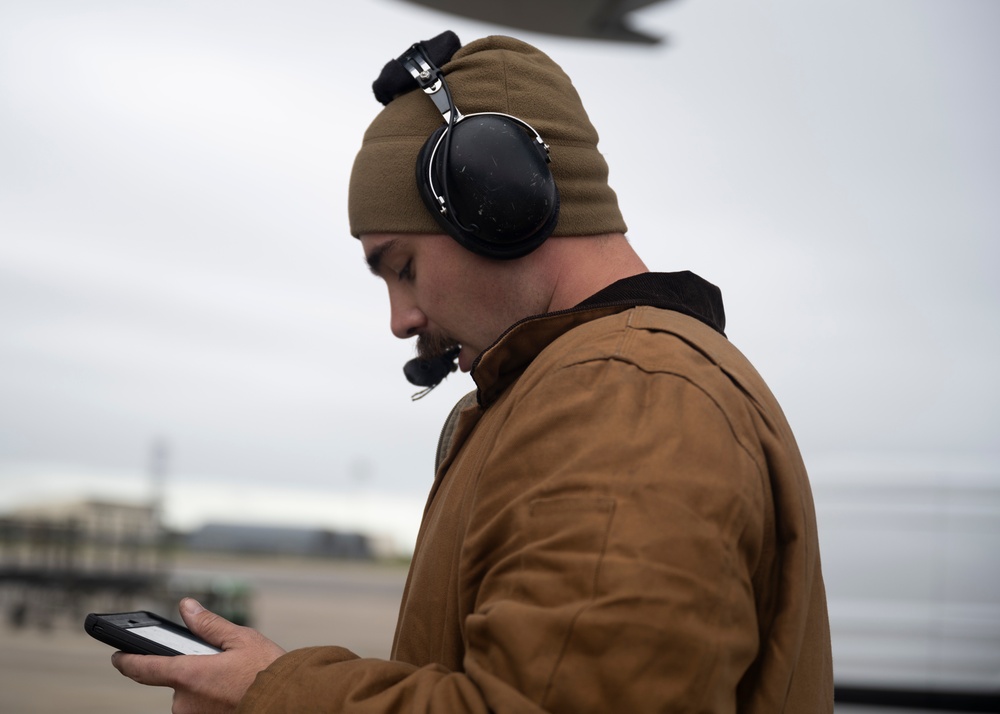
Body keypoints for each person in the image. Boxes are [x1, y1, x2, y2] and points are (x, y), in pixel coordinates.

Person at [111, 31, 834, 712]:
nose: (400, 319)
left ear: (499, 199)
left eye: (403, 266)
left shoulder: (628, 397)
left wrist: (277, 692)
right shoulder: (594, 387)